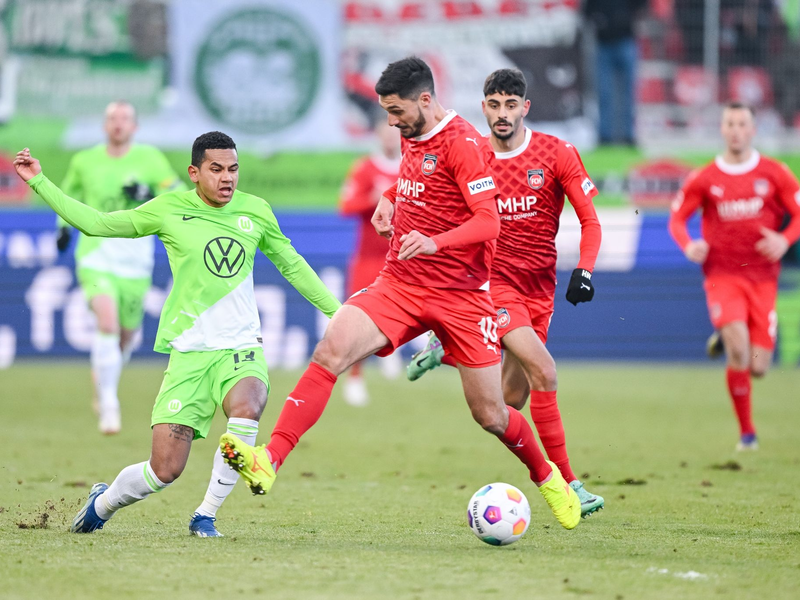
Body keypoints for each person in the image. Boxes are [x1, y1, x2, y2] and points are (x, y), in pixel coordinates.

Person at [216, 57, 582, 530]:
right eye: (386, 111)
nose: (391, 122)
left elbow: (488, 222)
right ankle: (269, 458)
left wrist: (435, 242)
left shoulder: (464, 143)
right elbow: (417, 179)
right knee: (331, 350)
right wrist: (390, 200)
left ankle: (548, 477)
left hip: (461, 296)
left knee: (493, 414)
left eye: (396, 111)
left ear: (425, 100)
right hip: (401, 283)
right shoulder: (414, 131)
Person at [13, 132, 341, 537]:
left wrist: (337, 312)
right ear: (194, 172)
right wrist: (38, 181)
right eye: (216, 169)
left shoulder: (255, 211)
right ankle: (104, 502)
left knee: (248, 405)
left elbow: (292, 264)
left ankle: (206, 514)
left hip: (241, 346)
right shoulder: (168, 209)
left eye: (233, 169)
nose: (227, 178)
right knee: (164, 470)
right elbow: (97, 224)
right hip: (190, 353)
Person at [407, 69, 605, 517]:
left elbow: (590, 220)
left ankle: (449, 350)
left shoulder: (557, 153)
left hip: (539, 290)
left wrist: (585, 270)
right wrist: (390, 199)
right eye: (494, 105)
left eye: (510, 105)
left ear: (525, 108)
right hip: (492, 284)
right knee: (545, 371)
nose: (502, 113)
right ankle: (569, 483)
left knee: (509, 401)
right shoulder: (472, 153)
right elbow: (421, 184)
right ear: (483, 107)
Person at [669, 102, 800, 451]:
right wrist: (688, 245)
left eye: (742, 124)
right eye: (730, 123)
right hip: (722, 275)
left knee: (758, 367)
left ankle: (726, 336)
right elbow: (677, 219)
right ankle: (747, 434)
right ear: (722, 129)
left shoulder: (775, 173)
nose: (736, 130)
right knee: (740, 349)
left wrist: (784, 239)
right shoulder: (705, 178)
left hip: (763, 278)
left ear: (753, 130)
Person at [56, 101, 185, 434]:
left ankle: (104, 381)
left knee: (126, 335)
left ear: (134, 126)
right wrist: (63, 227)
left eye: (125, 118)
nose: (118, 124)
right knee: (108, 323)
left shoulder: (150, 159)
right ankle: (108, 403)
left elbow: (178, 192)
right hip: (96, 253)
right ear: (104, 125)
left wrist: (149, 192)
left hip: (135, 259)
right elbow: (68, 196)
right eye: (112, 118)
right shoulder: (84, 161)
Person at [338, 117, 402, 406]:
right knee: (359, 319)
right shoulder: (365, 168)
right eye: (385, 133)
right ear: (377, 135)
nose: (390, 138)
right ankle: (355, 378)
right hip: (368, 258)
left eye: (395, 133)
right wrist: (373, 199)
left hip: (404, 258)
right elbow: (346, 206)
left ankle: (391, 347)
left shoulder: (412, 168)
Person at [583, 0, 646, 146]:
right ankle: (605, 136)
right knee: (604, 93)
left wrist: (626, 17)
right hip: (603, 43)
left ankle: (628, 135)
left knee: (628, 92)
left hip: (626, 40)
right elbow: (587, 12)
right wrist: (598, 20)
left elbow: (642, 5)